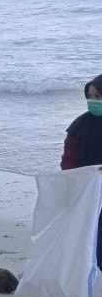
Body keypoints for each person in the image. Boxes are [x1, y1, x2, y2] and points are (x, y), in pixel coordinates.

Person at [60, 73, 102, 268]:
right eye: (90, 97)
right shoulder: (79, 126)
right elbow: (68, 162)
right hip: (88, 189)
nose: (93, 101)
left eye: (98, 96)